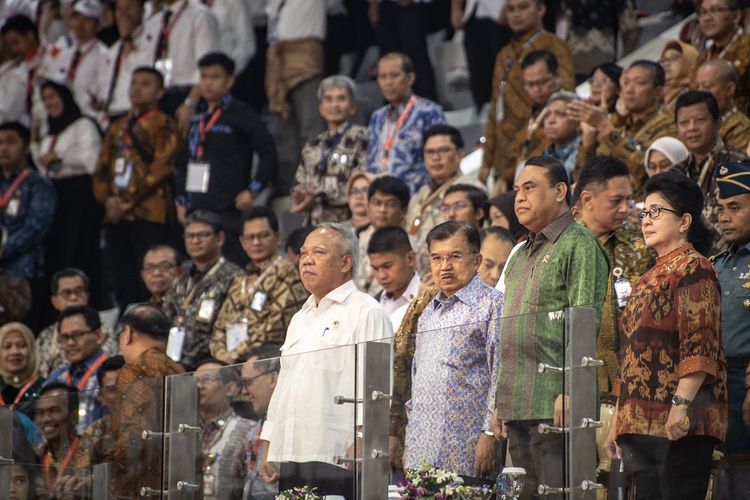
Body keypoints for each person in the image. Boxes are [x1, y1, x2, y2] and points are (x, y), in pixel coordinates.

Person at [603, 171, 728, 499]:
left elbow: (700, 344)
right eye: (644, 212)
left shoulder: (695, 267)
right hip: (641, 426)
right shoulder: (647, 277)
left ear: (684, 220)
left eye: (656, 211)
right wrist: (619, 417)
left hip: (680, 425)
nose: (646, 219)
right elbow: (629, 355)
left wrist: (681, 404)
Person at [493, 156, 609, 498]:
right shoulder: (518, 254)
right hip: (517, 401)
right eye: (516, 190)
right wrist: (500, 401)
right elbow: (507, 333)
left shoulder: (580, 244)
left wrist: (572, 390)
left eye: (530, 188)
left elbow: (584, 323)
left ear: (561, 191)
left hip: (557, 403)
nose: (519, 198)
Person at [258, 223, 393, 497]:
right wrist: (269, 442)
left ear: (345, 262)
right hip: (292, 450)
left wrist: (362, 440)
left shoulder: (367, 312)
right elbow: (283, 387)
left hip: (336, 452)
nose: (306, 259)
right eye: (303, 252)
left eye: (318, 252)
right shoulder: (299, 318)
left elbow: (377, 388)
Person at [404, 221, 503, 478]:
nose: (445, 267)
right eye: (437, 258)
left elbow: (500, 374)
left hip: (467, 446)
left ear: (477, 260)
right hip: (422, 448)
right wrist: (409, 439)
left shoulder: (492, 304)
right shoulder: (428, 312)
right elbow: (417, 378)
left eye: (455, 257)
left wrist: (489, 433)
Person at [176, 52, 278, 267]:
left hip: (228, 209)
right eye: (203, 77)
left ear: (230, 81)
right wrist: (181, 200)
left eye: (215, 76)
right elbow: (184, 160)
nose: (208, 83)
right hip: (196, 208)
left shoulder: (241, 113)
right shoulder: (196, 116)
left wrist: (253, 190)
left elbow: (268, 151)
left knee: (232, 268)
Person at [93, 66, 182, 310]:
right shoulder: (116, 127)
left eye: (146, 83)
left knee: (150, 274)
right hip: (116, 217)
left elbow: (162, 167)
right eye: (134, 82)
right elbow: (101, 169)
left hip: (150, 213)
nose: (137, 88)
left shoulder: (164, 124)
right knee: (121, 277)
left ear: (159, 92)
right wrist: (108, 200)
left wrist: (127, 201)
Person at [573, 156, 655, 393]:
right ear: (588, 199)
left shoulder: (641, 242)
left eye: (628, 199)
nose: (625, 208)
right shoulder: (562, 246)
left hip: (636, 377)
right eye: (616, 200)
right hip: (572, 379)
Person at [480, 0, 574, 188]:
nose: (516, 14)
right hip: (505, 162)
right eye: (511, 9)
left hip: (540, 154)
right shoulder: (503, 54)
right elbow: (495, 109)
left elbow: (564, 101)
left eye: (523, 7)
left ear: (541, 9)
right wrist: (487, 162)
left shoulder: (554, 45)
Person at [211, 207, 308, 363]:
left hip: (268, 361)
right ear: (242, 242)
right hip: (230, 363)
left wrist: (233, 356)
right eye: (250, 237)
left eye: (263, 236)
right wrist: (221, 355)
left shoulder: (287, 273)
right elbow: (220, 326)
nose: (256, 242)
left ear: (277, 237)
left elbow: (274, 328)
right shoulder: (240, 279)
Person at [106, 304, 184, 498]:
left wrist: (107, 467)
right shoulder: (180, 371)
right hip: (179, 481)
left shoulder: (134, 370)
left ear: (128, 332)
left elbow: (134, 437)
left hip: (143, 485)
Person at [32, 81, 102, 294]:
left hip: (79, 195)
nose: (49, 103)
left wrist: (60, 159)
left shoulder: (83, 125)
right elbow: (43, 167)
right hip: (55, 195)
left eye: (53, 97)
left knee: (78, 250)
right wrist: (34, 143)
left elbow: (91, 161)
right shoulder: (50, 133)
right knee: (58, 253)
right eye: (45, 99)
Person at [569, 60, 677, 191]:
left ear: (658, 91)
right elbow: (581, 180)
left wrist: (603, 126)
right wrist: (589, 141)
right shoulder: (620, 125)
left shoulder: (670, 125)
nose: (629, 89)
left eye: (640, 82)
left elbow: (646, 171)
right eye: (626, 83)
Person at [711, 161, 750, 498]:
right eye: (721, 209)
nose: (724, 217)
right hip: (715, 384)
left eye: (735, 207)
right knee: (722, 477)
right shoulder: (717, 264)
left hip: (745, 381)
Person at [162, 210, 243, 371]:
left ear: (219, 238)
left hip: (212, 364)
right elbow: (166, 320)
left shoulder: (235, 277)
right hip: (174, 362)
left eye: (203, 235)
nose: (195, 241)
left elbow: (231, 330)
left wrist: (186, 363)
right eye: (190, 236)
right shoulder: (181, 280)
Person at [265, 0, 326, 200]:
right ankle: (289, 188)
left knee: (310, 130)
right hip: (278, 64)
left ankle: (314, 185)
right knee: (284, 134)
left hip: (305, 63)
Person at [406, 125, 484, 277]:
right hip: (423, 278)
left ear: (460, 154)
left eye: (443, 150)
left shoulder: (472, 188)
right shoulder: (420, 195)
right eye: (430, 152)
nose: (436, 157)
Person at [672, 90, 747, 246]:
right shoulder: (675, 173)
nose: (692, 128)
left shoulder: (738, 164)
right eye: (684, 122)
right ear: (676, 128)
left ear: (718, 122)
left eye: (699, 120)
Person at [291, 75, 368, 226]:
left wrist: (319, 196)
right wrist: (300, 196)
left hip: (350, 224)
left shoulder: (363, 137)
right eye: (328, 99)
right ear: (320, 108)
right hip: (314, 224)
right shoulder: (311, 145)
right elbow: (299, 182)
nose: (334, 105)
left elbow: (361, 183)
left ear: (352, 106)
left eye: (341, 99)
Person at [367, 52, 447, 195]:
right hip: (381, 198)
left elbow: (439, 159)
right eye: (382, 76)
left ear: (410, 78)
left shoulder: (429, 112)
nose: (388, 82)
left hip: (415, 196)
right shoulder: (376, 117)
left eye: (394, 75)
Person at [0, 122, 56, 315]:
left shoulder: (37, 183)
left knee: (21, 336)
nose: (3, 148)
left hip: (23, 272)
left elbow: (36, 226)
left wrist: (4, 250)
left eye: (10, 142)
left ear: (25, 148)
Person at [142, 0, 219, 122]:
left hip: (188, 96)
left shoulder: (200, 15)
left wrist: (191, 103)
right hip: (157, 97)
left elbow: (207, 65)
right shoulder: (155, 21)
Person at [36, 269, 118, 379]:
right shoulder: (45, 336)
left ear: (87, 296)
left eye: (79, 291)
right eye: (66, 293)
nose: (74, 297)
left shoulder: (103, 331)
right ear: (54, 301)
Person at [194, 358, 255, 500]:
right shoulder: (183, 429)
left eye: (207, 379)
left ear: (230, 388)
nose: (198, 385)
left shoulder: (247, 431)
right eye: (194, 380)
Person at [39, 0, 107, 119]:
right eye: (77, 18)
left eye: (87, 20)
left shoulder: (104, 56)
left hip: (88, 117)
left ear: (97, 24)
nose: (80, 24)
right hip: (62, 118)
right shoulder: (64, 55)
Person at [45, 305, 109, 432]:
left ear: (98, 335)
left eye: (78, 335)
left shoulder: (113, 375)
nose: (70, 343)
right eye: (64, 337)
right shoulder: (55, 380)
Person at [94, 0, 159, 121]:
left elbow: (145, 75)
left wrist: (127, 40)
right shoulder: (112, 51)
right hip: (112, 115)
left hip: (137, 114)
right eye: (119, 9)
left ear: (142, 10)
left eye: (130, 8)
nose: (124, 14)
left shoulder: (152, 40)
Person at [369, 0, 437, 102]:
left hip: (411, 8)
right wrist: (373, 5)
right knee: (389, 61)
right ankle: (393, 106)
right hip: (385, 9)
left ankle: (426, 103)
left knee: (417, 60)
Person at [450, 0, 511, 111]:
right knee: (479, 76)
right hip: (472, 11)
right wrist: (456, 8)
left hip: (502, 12)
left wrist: (512, 5)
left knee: (506, 73)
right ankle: (486, 120)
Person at [34, 383, 91, 498]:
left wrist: (93, 482)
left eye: (54, 411)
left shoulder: (95, 450)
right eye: (40, 413)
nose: (46, 419)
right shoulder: (33, 456)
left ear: (74, 416)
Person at [356, 176, 410, 295]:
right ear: (368, 206)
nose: (382, 210)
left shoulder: (411, 246)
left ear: (404, 210)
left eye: (391, 204)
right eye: (376, 203)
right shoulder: (355, 241)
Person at [694, 0, 750, 114]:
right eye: (703, 12)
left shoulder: (747, 49)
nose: (707, 18)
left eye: (715, 10)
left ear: (736, 16)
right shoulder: (703, 57)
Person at [240, 344, 281, 500]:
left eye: (247, 382)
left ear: (273, 379)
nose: (244, 391)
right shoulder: (255, 429)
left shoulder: (292, 428)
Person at [511, 50, 563, 168]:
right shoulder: (527, 112)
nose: (536, 89)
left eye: (542, 82)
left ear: (557, 76)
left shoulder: (569, 109)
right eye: (530, 84)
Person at [367, 226, 420, 330]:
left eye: (387, 266)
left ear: (410, 259)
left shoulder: (432, 300)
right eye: (376, 268)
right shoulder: (371, 305)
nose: (381, 276)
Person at [695, 59, 750, 151]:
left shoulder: (740, 128)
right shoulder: (695, 122)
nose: (700, 92)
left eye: (707, 86)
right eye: (697, 87)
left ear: (729, 89)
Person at [0, 322, 43, 409]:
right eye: (7, 346)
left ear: (32, 351)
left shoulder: (44, 388)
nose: (15, 351)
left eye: (21, 345)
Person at [542, 90, 581, 178]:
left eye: (560, 114)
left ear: (578, 120)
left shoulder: (587, 150)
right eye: (547, 114)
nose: (551, 120)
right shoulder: (545, 154)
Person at [659, 40, 699, 112]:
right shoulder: (658, 96)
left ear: (688, 61)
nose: (666, 64)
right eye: (663, 60)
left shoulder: (697, 92)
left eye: (673, 58)